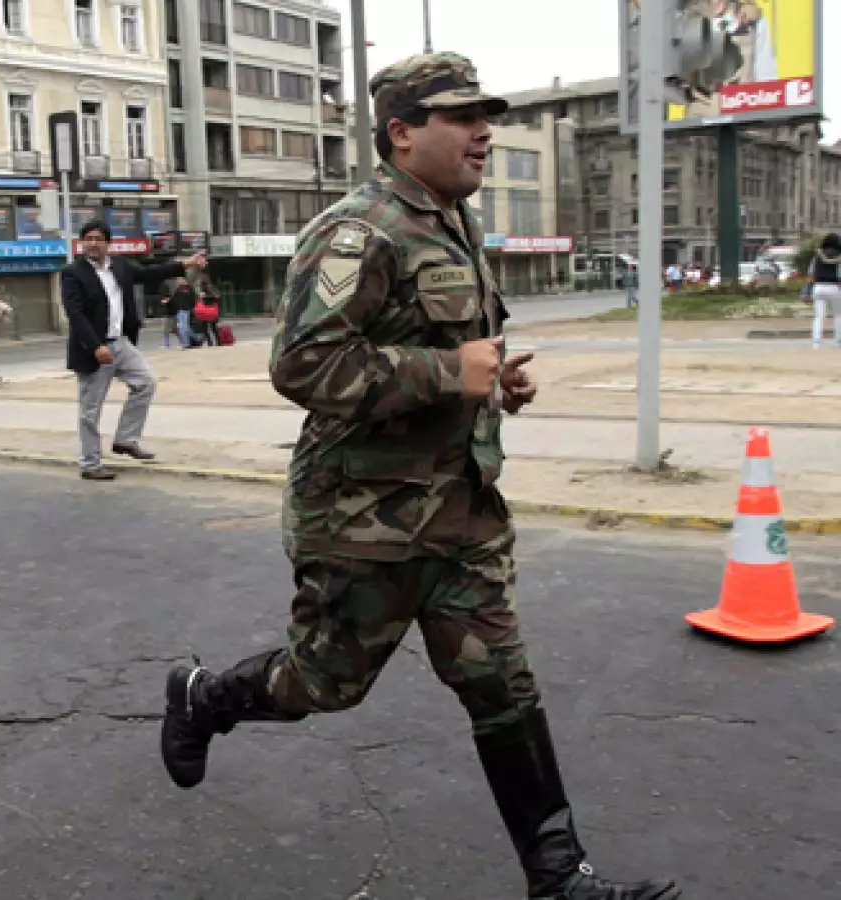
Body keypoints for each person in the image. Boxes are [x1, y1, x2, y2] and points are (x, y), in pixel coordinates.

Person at [156, 54, 681, 900]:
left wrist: (496, 380)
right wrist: (449, 375)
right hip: (366, 524)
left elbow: (455, 347)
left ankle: (561, 881)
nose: (484, 132)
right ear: (402, 132)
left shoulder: (456, 225)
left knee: (502, 684)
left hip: (463, 514)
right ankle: (205, 696)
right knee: (324, 683)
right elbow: (303, 366)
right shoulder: (356, 231)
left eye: (486, 115)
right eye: (460, 117)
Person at [60, 219, 206, 480]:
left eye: (97, 239)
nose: (92, 243)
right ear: (82, 243)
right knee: (90, 410)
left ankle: (126, 440)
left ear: (108, 243)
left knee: (145, 383)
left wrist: (185, 264)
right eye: (88, 239)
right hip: (94, 348)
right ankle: (90, 464)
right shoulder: (73, 272)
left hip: (121, 343)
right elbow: (75, 313)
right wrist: (95, 346)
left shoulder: (120, 265)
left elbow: (150, 273)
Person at [806, 232, 840, 349]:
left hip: (818, 287)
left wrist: (807, 291)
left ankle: (816, 341)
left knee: (819, 316)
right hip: (834, 287)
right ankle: (838, 340)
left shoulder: (817, 256)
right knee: (838, 315)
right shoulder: (839, 255)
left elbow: (811, 273)